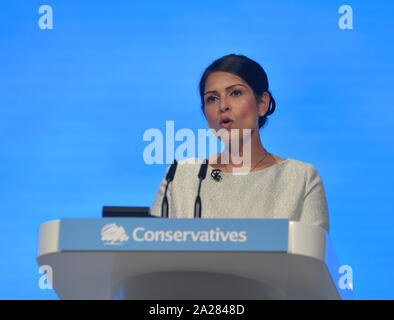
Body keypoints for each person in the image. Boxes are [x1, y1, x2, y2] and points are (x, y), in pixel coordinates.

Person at [151, 54, 329, 233]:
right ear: (205, 114)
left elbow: (312, 256)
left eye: (235, 93)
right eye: (212, 98)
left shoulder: (301, 178)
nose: (223, 106)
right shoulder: (180, 176)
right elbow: (151, 252)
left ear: (262, 103)